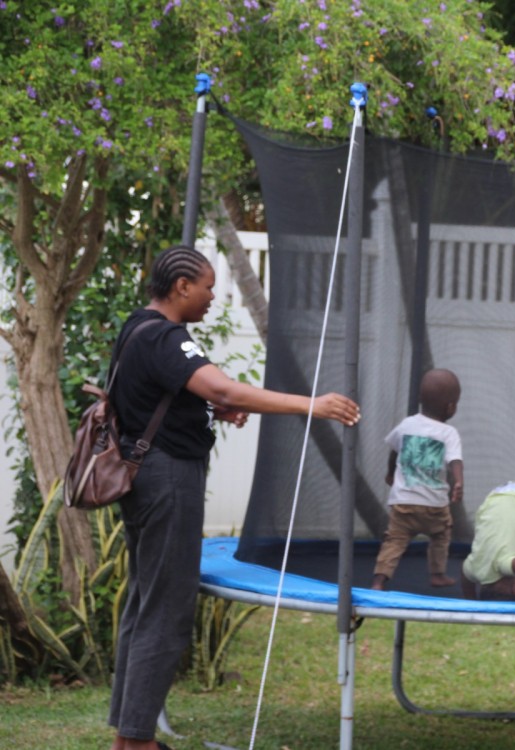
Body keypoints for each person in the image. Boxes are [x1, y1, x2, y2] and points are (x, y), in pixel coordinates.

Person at [107, 245, 360, 750]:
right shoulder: (166, 337)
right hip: (167, 483)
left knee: (144, 602)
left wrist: (209, 414)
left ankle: (130, 735)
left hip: (143, 480)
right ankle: (135, 743)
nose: (211, 298)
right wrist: (312, 405)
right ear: (181, 287)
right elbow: (223, 390)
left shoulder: (137, 326)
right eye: (207, 288)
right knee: (166, 611)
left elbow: (154, 399)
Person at [371, 368, 464, 590]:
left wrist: (390, 472)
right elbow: (455, 461)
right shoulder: (448, 433)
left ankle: (379, 580)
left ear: (421, 399)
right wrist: (458, 481)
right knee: (441, 536)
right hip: (434, 506)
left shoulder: (407, 425)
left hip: (403, 503)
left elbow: (394, 450)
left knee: (393, 541)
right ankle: (437, 574)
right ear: (451, 407)